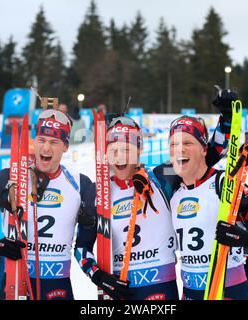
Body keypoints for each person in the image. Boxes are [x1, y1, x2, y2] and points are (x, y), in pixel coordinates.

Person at [74, 90, 236, 300]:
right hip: (119, 290)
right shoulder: (97, 192)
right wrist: (99, 277)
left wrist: (227, 119)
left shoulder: (162, 177)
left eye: (126, 149)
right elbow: (81, 248)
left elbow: (206, 155)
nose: (120, 157)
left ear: (139, 150)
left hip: (161, 291)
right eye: (113, 150)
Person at [0, 108, 92, 300]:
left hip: (58, 287)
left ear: (65, 146)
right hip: (16, 283)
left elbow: (89, 241)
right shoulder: (8, 177)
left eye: (54, 142)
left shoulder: (80, 184)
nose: (46, 148)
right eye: (41, 140)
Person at [168, 114, 248, 300]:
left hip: (231, 291)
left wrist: (245, 238)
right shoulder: (172, 193)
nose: (180, 149)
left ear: (204, 149)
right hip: (190, 294)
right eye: (173, 144)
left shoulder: (226, 185)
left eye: (187, 143)